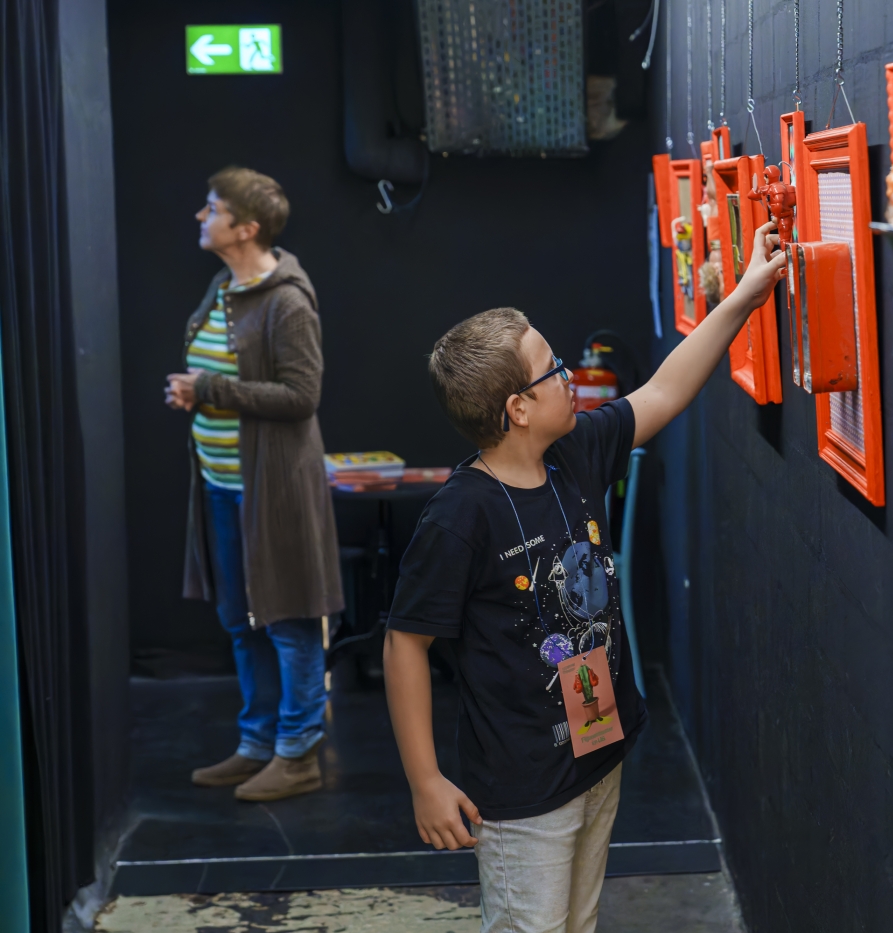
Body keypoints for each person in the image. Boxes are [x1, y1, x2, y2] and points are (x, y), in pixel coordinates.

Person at [383, 221, 787, 933]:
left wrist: (746, 296)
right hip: (521, 788)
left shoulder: (575, 452)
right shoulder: (460, 516)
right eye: (552, 367)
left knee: (578, 922)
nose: (568, 374)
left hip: (596, 756)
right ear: (518, 409)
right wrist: (425, 780)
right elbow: (405, 642)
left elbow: (664, 392)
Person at [166, 167, 344, 802]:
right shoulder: (225, 285)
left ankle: (298, 755)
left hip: (272, 490)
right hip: (222, 482)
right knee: (241, 618)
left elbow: (302, 396)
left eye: (211, 209)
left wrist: (207, 389)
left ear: (246, 228)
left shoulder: (287, 301)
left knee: (288, 619)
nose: (200, 217)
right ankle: (257, 744)